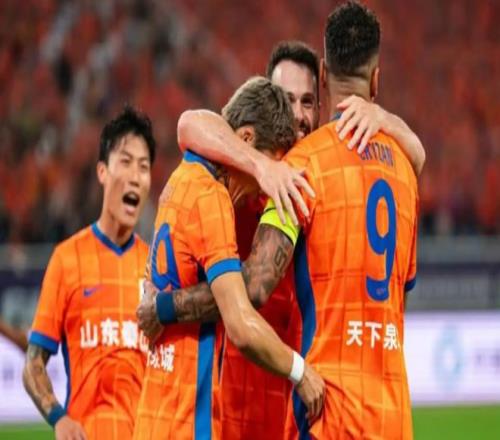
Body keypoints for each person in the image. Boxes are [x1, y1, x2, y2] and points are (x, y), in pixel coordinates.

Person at [143, 2, 420, 438]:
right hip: (248, 412)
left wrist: (387, 120)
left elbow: (254, 285)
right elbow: (191, 124)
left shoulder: (305, 172)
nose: (296, 114)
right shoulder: (243, 176)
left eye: (307, 101)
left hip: (311, 407)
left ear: (324, 83)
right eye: (285, 100)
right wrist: (260, 165)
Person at [133, 77, 324, 440]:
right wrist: (302, 373)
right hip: (188, 420)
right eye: (266, 173)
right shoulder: (213, 198)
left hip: (155, 413)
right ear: (247, 140)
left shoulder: (179, 179)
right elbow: (241, 324)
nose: (260, 190)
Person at [23, 106, 155, 440]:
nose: (135, 176)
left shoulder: (156, 268)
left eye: (144, 167)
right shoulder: (67, 259)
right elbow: (33, 364)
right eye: (126, 162)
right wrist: (59, 418)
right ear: (102, 172)